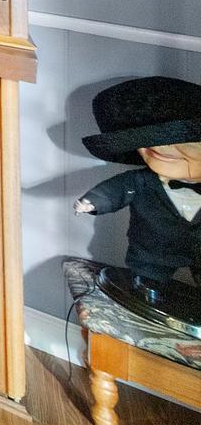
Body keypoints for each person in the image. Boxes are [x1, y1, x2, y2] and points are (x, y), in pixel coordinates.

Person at [74, 76, 201, 282]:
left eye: (184, 142)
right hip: (153, 247)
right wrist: (93, 201)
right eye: (148, 141)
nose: (160, 148)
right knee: (148, 275)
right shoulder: (140, 181)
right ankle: (146, 284)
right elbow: (115, 190)